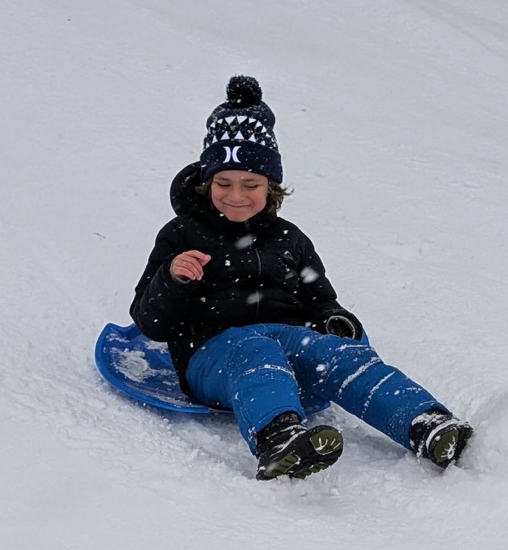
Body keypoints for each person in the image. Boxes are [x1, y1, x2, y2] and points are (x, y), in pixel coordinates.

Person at [131, 75, 473, 480]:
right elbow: (151, 323)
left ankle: (425, 424)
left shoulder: (289, 239)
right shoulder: (183, 234)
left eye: (251, 184)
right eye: (223, 183)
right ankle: (279, 438)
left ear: (272, 186)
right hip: (212, 354)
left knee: (340, 356)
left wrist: (333, 319)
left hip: (288, 345)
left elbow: (320, 297)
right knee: (255, 349)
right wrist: (173, 279)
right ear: (206, 184)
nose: (235, 195)